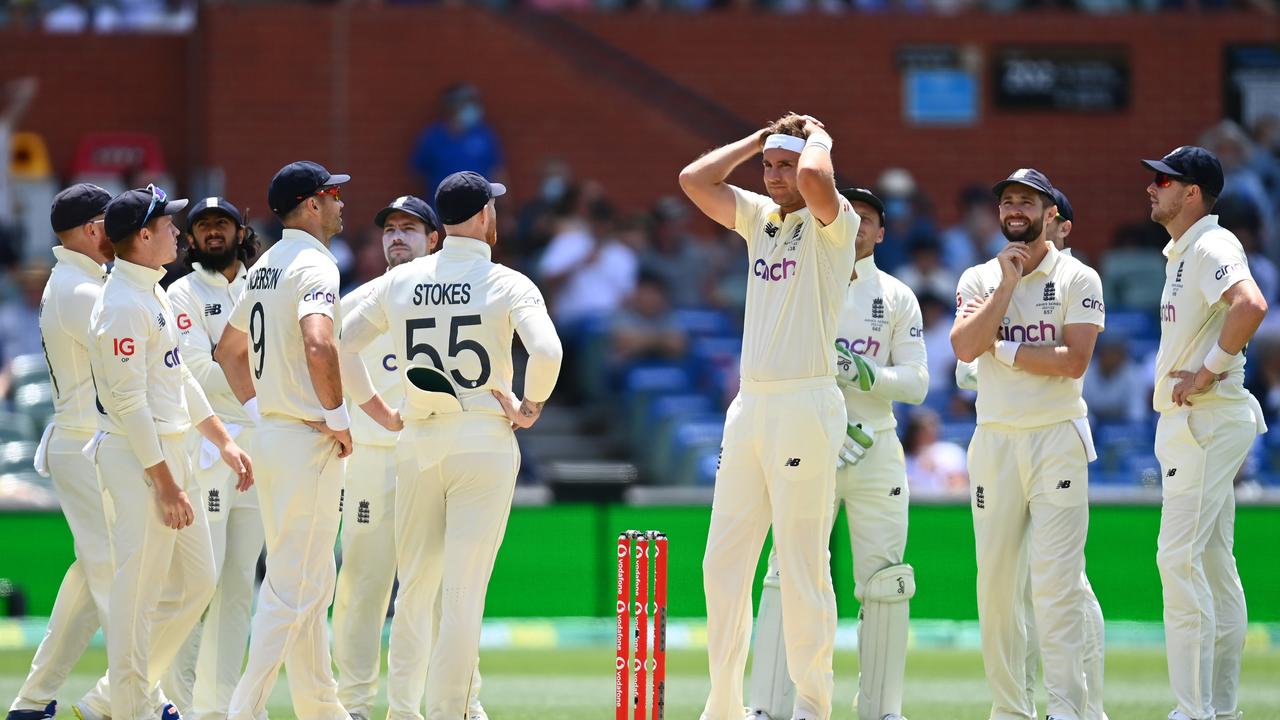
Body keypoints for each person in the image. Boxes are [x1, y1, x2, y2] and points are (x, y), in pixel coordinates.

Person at [339, 171, 562, 720]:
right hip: (482, 436)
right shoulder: (509, 282)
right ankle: (450, 712)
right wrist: (529, 408)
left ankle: (402, 711)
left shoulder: (401, 281)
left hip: (417, 439)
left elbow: (343, 344)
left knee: (414, 590)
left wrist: (375, 410)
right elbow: (548, 352)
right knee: (461, 593)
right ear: (486, 214)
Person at [678, 112, 858, 720]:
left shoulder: (836, 222)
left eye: (785, 164)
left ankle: (812, 705)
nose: (778, 175)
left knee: (803, 563)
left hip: (805, 401)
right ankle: (723, 706)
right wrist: (759, 139)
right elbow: (693, 179)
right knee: (722, 563)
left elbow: (813, 178)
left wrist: (818, 136)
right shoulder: (761, 219)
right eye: (769, 167)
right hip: (750, 404)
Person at [745, 187, 926, 720]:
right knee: (790, 570)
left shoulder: (896, 296)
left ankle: (882, 710)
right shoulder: (799, 282)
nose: (861, 226)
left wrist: (860, 371)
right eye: (853, 216)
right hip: (809, 445)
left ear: (881, 232)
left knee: (887, 581)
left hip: (875, 447)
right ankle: (770, 706)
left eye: (870, 220)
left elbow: (916, 383)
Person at [216, 161, 384, 720]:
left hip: (274, 435)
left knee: (313, 579)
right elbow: (319, 343)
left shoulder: (264, 265)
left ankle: (322, 709)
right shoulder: (315, 262)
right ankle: (243, 711)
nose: (341, 204)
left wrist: (261, 409)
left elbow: (229, 349)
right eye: (334, 195)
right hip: (307, 440)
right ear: (310, 204)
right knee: (292, 585)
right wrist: (336, 417)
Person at [87, 185, 252, 720]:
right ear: (142, 236)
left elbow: (178, 376)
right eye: (167, 225)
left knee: (199, 579)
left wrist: (222, 440)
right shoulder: (121, 304)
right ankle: (130, 705)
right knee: (139, 593)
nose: (177, 234)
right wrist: (165, 483)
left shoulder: (153, 290)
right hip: (140, 459)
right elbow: (130, 403)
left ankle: (115, 695)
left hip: (173, 449)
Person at [951, 169, 1105, 720]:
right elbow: (967, 348)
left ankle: (1068, 710)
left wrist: (1008, 351)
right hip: (994, 441)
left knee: (1057, 585)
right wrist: (1007, 287)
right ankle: (1010, 711)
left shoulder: (1079, 278)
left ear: (1049, 215)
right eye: (1007, 201)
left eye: (1027, 201)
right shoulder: (978, 277)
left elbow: (1074, 361)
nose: (1015, 209)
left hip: (1056, 439)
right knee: (994, 588)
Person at [330, 195, 488, 720]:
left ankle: (462, 702)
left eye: (410, 229)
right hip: (375, 457)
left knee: (451, 587)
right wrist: (360, 417)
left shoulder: (464, 292)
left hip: (439, 452)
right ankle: (353, 704)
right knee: (362, 584)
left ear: (435, 238)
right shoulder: (359, 301)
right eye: (390, 229)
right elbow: (325, 357)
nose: (397, 237)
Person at [1142, 146, 1269, 720]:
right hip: (1202, 420)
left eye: (1163, 181)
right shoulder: (1183, 251)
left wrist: (1208, 369)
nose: (1153, 188)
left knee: (1179, 559)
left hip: (1206, 417)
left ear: (1191, 193)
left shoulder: (1211, 244)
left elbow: (1251, 305)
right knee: (1213, 565)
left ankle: (1194, 711)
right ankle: (1218, 708)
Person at [6, 184, 113, 720]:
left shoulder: (78, 280)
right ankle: (141, 701)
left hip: (84, 440)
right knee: (120, 576)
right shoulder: (84, 290)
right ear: (94, 228)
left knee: (93, 577)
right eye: (112, 220)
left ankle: (31, 701)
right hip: (90, 441)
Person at [159, 197, 263, 720]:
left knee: (240, 584)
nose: (213, 233)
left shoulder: (261, 282)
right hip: (211, 448)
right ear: (191, 238)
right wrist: (267, 396)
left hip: (262, 446)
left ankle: (223, 708)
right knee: (201, 582)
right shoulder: (181, 292)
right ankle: (177, 702)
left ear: (240, 230)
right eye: (203, 227)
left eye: (222, 224)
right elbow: (196, 371)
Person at [410, 84, 505, 199]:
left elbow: (497, 170)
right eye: (466, 103)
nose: (472, 108)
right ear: (452, 106)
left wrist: (503, 205)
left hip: (478, 204)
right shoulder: (433, 137)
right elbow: (419, 172)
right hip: (442, 205)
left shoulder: (484, 134)